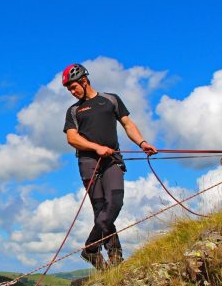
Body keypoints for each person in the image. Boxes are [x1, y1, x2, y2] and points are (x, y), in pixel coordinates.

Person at [62, 63, 158, 269]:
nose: (72, 92)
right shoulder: (74, 110)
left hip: (112, 160)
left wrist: (142, 143)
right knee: (100, 210)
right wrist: (96, 148)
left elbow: (128, 124)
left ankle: (90, 248)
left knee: (114, 203)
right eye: (69, 89)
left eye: (73, 87)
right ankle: (115, 258)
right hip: (88, 163)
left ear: (84, 81)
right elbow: (72, 138)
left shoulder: (111, 99)